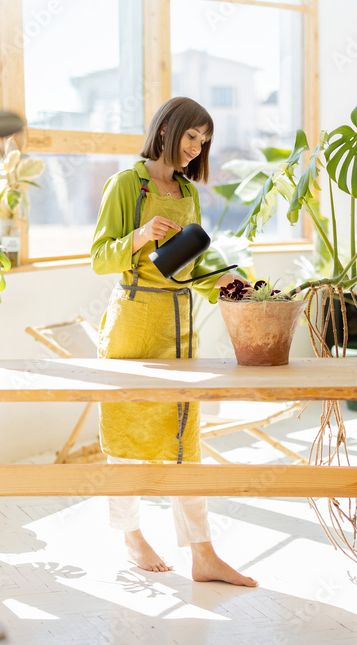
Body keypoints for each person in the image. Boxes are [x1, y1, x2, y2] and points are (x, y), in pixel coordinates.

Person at [90, 97, 256, 587]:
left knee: (186, 442)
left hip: (180, 329)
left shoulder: (187, 190)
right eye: (191, 136)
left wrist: (234, 287)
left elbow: (189, 265)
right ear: (166, 129)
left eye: (203, 141)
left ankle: (202, 554)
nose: (196, 148)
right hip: (134, 327)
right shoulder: (126, 185)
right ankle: (131, 536)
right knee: (126, 440)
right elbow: (100, 258)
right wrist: (139, 236)